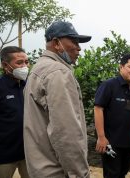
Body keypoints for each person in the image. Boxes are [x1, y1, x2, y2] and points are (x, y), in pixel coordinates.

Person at [23, 21, 92, 178]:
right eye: (74, 41)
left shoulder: (38, 69)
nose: (79, 47)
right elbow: (66, 133)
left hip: (40, 167)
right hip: (56, 171)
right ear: (56, 43)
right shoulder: (58, 73)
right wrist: (80, 174)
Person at [94, 54, 130, 178]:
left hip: (129, 143)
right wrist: (101, 137)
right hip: (111, 143)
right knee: (112, 174)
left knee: (123, 173)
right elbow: (98, 108)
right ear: (121, 67)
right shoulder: (109, 85)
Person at [0, 46, 30, 178]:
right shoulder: (0, 87)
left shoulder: (29, 85)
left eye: (26, 62)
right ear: (5, 65)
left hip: (28, 153)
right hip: (3, 155)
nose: (24, 66)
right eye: (19, 62)